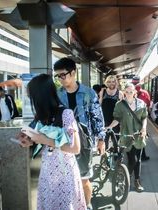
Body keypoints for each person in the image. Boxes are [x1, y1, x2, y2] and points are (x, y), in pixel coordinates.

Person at [16, 74, 86, 210]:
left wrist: (45, 140)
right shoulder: (41, 116)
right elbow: (37, 140)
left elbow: (75, 148)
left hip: (65, 175)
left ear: (41, 96)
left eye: (33, 97)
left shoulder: (66, 113)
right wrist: (28, 140)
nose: (32, 100)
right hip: (47, 175)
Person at [54, 57, 105, 209]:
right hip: (63, 142)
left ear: (73, 72)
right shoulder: (57, 95)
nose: (61, 79)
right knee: (65, 179)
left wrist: (101, 139)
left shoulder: (88, 93)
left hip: (84, 143)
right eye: (58, 76)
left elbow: (97, 117)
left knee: (83, 179)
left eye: (63, 74)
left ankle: (87, 205)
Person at [106, 83, 148, 192]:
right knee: (131, 159)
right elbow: (117, 119)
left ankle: (137, 181)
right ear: (124, 92)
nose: (129, 94)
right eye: (127, 92)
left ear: (135, 92)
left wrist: (144, 128)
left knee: (137, 159)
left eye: (131, 91)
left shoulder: (141, 103)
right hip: (127, 135)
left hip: (139, 135)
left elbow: (144, 118)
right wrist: (109, 127)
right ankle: (128, 178)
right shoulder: (120, 105)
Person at [99, 75, 123, 149]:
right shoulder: (103, 91)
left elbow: (122, 109)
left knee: (115, 140)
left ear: (116, 82)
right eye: (109, 82)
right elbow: (99, 104)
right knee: (104, 140)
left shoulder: (119, 93)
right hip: (104, 119)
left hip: (115, 120)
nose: (111, 83)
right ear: (106, 83)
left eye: (113, 81)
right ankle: (105, 155)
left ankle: (115, 155)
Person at [132, 77, 151, 161]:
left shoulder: (129, 92)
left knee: (132, 137)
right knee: (141, 136)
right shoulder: (145, 93)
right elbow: (149, 104)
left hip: (131, 119)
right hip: (141, 119)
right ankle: (142, 156)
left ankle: (133, 155)